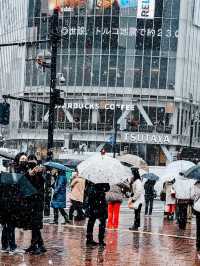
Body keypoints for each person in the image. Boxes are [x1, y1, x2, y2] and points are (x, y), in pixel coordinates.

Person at [0, 153, 27, 255]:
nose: (24, 161)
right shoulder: (15, 170)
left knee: (7, 225)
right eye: (22, 159)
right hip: (10, 201)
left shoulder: (18, 169)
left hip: (11, 200)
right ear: (18, 159)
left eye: (26, 159)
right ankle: (11, 246)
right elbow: (15, 183)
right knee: (10, 224)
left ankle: (5, 245)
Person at [24, 154, 46, 255]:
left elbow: (41, 185)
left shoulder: (40, 172)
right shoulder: (27, 172)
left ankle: (36, 246)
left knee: (35, 224)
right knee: (34, 225)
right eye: (30, 160)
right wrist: (29, 174)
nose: (31, 163)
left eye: (33, 160)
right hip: (30, 202)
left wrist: (38, 173)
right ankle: (39, 245)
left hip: (37, 202)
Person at [191, 180, 200, 253]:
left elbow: (193, 196)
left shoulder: (196, 186)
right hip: (198, 208)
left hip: (198, 209)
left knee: (198, 227)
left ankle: (198, 244)